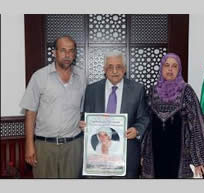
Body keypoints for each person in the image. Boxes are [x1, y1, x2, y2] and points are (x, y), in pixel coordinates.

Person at [20, 35, 87, 178]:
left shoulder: (81, 77)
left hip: (73, 146)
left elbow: (82, 110)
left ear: (75, 53)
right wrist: (29, 145)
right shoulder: (39, 76)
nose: (67, 55)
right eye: (63, 50)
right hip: (45, 146)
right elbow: (30, 113)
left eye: (71, 51)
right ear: (54, 53)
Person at [141, 53, 204, 178]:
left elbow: (196, 124)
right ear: (161, 68)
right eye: (167, 65)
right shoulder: (152, 91)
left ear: (179, 70)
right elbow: (146, 124)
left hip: (181, 154)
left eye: (174, 66)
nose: (170, 69)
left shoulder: (186, 91)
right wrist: (142, 154)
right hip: (154, 153)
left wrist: (198, 159)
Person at [80, 50, 150, 178]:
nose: (114, 71)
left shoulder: (137, 89)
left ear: (125, 69)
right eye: (110, 67)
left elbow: (144, 117)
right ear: (104, 69)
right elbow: (85, 116)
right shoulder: (92, 90)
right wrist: (84, 124)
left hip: (126, 155)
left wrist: (137, 130)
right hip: (97, 155)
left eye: (118, 67)